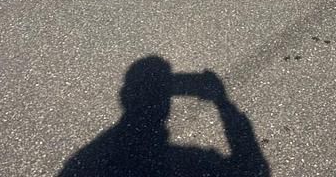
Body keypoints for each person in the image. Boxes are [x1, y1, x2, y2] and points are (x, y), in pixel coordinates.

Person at [58, 56, 270, 176]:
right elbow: (252, 168)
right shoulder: (194, 163)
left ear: (124, 97)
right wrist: (224, 104)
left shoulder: (84, 164)